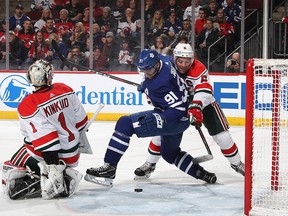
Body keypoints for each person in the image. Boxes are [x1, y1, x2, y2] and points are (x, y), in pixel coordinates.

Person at [85, 49, 217, 187]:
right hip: (180, 121)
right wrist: (145, 86)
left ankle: (109, 167)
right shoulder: (164, 60)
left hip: (173, 118)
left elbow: (179, 109)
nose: (146, 73)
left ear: (157, 65)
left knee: (125, 124)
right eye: (144, 70)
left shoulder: (161, 83)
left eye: (149, 70)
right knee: (169, 154)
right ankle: (203, 174)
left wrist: (162, 118)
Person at [134, 43, 245, 179]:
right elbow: (149, 72)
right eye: (180, 61)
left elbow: (204, 89)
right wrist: (146, 86)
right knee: (160, 132)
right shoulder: (166, 64)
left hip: (204, 104)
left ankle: (237, 164)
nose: (183, 65)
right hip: (178, 104)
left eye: (187, 61)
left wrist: (196, 106)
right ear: (175, 58)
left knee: (223, 137)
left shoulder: (198, 68)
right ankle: (150, 164)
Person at [1, 59, 87, 200]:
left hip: (53, 158)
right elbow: (82, 121)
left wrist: (53, 170)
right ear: (50, 75)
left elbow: (48, 140)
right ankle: (62, 172)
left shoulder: (28, 103)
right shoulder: (65, 89)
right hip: (72, 154)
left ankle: (46, 181)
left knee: (13, 161)